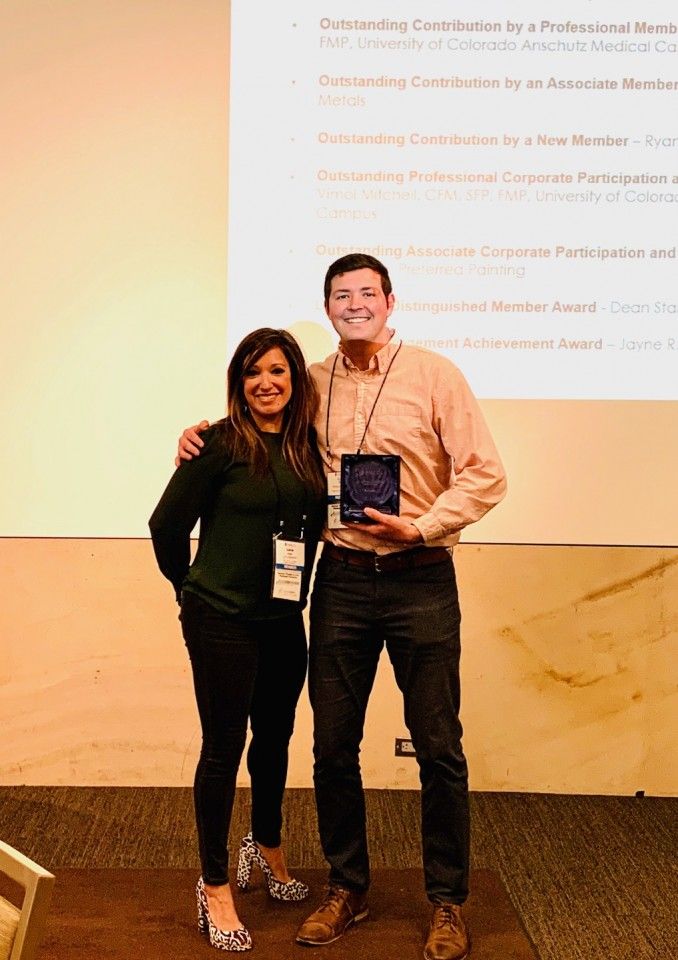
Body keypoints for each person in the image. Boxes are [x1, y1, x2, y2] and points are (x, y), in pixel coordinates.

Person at [177, 255, 507, 960]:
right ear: (328, 307)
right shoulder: (312, 384)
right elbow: (259, 425)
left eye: (366, 293)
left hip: (422, 578)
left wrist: (422, 526)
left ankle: (447, 902)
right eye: (340, 295)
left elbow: (487, 474)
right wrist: (197, 437)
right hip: (343, 582)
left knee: (439, 747)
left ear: (389, 301)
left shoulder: (436, 375)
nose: (354, 304)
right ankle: (347, 887)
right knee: (332, 747)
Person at [150, 328, 325, 952]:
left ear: (295, 378)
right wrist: (191, 589)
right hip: (221, 619)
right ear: (238, 382)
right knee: (224, 747)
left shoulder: (308, 447)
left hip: (283, 618)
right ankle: (215, 883)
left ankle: (267, 844)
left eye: (277, 371)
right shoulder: (217, 444)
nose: (265, 383)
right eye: (252, 372)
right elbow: (165, 526)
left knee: (275, 738)